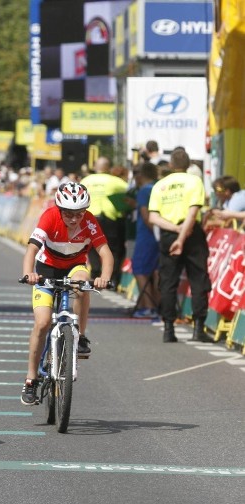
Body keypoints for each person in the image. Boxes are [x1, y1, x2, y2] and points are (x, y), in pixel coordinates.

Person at [19, 182, 113, 405]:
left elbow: (105, 253)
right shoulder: (49, 217)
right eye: (69, 214)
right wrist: (28, 273)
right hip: (46, 269)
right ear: (60, 210)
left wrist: (105, 278)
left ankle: (80, 336)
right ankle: (31, 379)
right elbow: (32, 248)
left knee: (82, 283)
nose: (74, 219)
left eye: (79, 213)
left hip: (75, 266)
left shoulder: (90, 222)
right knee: (42, 323)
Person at [147, 148, 214, 343]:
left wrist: (175, 231)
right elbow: (193, 213)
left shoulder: (160, 185)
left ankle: (168, 328)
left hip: (170, 234)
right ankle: (198, 328)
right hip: (191, 233)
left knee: (168, 282)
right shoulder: (195, 181)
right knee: (198, 280)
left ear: (170, 165)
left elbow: (153, 217)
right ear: (189, 164)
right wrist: (183, 235)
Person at [81, 156, 129, 284]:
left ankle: (95, 272)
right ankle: (111, 278)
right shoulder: (115, 181)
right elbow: (129, 190)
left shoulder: (86, 180)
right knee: (112, 248)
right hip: (109, 217)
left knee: (91, 246)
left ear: (96, 167)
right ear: (109, 168)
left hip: (89, 218)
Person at [130, 162, 161, 318]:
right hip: (159, 234)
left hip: (146, 235)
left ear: (141, 175)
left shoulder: (144, 191)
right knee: (155, 271)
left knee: (140, 269)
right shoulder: (159, 188)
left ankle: (147, 307)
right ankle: (155, 304)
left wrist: (153, 231)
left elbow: (146, 215)